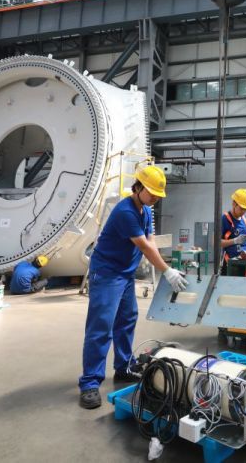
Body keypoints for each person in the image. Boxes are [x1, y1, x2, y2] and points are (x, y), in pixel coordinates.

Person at [78, 165, 188, 409]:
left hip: (125, 274)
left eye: (159, 194)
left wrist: (165, 269)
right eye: (152, 192)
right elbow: (144, 247)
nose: (156, 198)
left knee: (127, 319)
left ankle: (123, 367)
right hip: (107, 273)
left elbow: (151, 241)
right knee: (101, 327)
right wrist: (167, 271)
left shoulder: (145, 210)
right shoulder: (125, 212)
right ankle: (89, 383)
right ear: (138, 187)